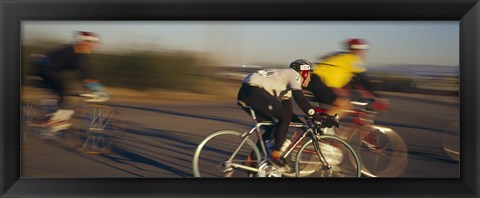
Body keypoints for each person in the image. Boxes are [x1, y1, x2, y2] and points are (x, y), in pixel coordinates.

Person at [237, 59, 336, 169]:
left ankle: (251, 160)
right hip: (253, 91)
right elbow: (301, 100)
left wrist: (305, 128)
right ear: (303, 72)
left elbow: (289, 113)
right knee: (282, 117)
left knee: (273, 125)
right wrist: (319, 118)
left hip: (246, 92)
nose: (309, 78)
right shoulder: (294, 75)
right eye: (309, 74)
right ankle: (276, 155)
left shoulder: (286, 84)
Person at [30, 31, 108, 135]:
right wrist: (97, 90)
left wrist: (95, 87)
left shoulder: (77, 52)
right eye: (93, 43)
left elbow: (87, 72)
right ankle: (54, 121)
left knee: (67, 89)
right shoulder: (74, 53)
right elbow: (85, 72)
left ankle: (52, 117)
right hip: (45, 71)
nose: (95, 46)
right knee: (67, 90)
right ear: (84, 42)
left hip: (48, 70)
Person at [306, 38, 388, 122]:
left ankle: (321, 128)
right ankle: (322, 125)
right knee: (345, 107)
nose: (364, 52)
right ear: (357, 50)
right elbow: (364, 80)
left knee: (335, 106)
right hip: (319, 82)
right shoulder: (354, 59)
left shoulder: (341, 57)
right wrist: (378, 97)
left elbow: (355, 81)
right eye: (363, 50)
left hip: (312, 81)